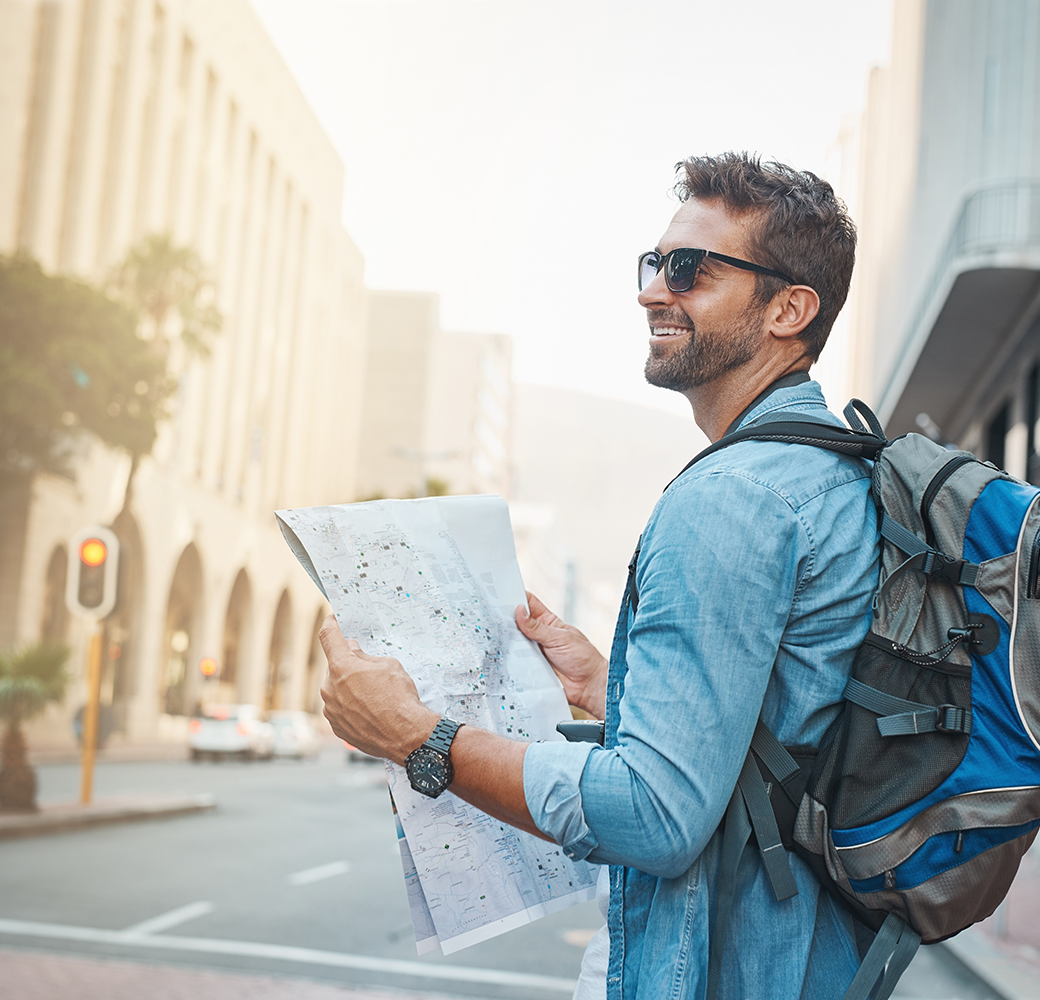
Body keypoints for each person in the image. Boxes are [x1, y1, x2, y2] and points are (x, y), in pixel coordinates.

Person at [319, 152, 880, 1000]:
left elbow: (654, 815)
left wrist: (417, 737)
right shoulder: (828, 473)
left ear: (789, 309)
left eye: (690, 269)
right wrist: (610, 689)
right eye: (654, 264)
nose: (655, 290)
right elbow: (781, 747)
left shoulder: (733, 497)